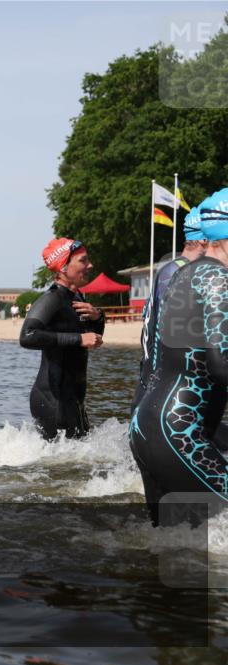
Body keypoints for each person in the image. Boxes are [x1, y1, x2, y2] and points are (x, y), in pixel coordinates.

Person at [130, 189, 228, 525]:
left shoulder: (185, 273)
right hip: (179, 431)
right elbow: (221, 363)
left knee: (175, 551)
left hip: (150, 423)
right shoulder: (218, 279)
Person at [19, 238, 105, 440]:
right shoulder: (52, 299)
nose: (90, 265)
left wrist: (97, 317)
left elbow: (92, 339)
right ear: (64, 267)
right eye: (83, 261)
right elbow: (27, 336)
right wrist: (79, 339)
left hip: (73, 398)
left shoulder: (77, 298)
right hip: (52, 398)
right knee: (59, 467)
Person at [132, 207, 209, 411]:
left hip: (162, 396)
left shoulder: (176, 270)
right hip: (159, 399)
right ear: (204, 240)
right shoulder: (177, 273)